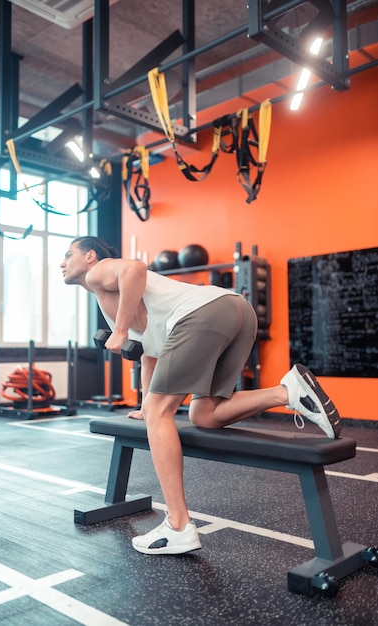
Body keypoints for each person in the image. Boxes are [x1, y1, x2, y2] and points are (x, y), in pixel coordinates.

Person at [61, 235, 341, 556]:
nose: (62, 262)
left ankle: (178, 526)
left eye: (69, 255)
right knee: (204, 414)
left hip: (202, 314)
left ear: (91, 257)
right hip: (236, 311)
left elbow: (135, 268)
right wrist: (144, 406)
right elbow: (150, 354)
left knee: (160, 412)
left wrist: (121, 330)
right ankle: (287, 391)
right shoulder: (119, 298)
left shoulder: (99, 274)